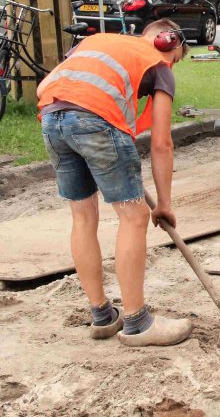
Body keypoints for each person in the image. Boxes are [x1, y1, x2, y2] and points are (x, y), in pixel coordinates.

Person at [37, 19, 194, 346]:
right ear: (168, 40)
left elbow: (55, 84)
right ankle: (137, 322)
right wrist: (164, 204)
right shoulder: (157, 63)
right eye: (176, 57)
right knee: (134, 216)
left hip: (52, 118)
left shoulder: (97, 43)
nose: (172, 64)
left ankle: (102, 316)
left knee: (82, 217)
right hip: (94, 120)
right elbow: (162, 143)